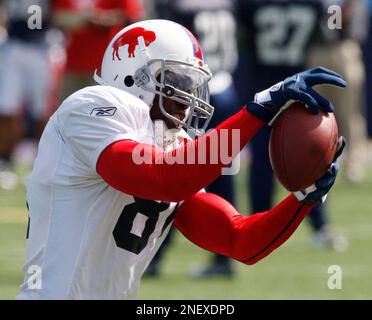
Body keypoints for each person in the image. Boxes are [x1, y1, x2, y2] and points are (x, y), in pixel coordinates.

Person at [17, 19, 346, 300]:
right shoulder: (91, 106)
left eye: (192, 85)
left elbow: (238, 239)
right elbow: (162, 178)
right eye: (176, 81)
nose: (187, 99)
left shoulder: (170, 144)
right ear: (132, 75)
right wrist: (258, 109)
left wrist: (303, 198)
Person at [235, 0, 346, 250]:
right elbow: (328, 34)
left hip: (264, 88)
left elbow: (242, 38)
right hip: (300, 88)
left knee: (263, 160)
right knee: (311, 160)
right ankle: (320, 225)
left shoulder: (251, 6)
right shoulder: (312, 5)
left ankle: (259, 224)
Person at [145, 0, 240, 278]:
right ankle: (224, 254)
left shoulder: (178, 8)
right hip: (224, 91)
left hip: (188, 94)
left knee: (171, 170)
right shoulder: (224, 5)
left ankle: (153, 254)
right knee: (220, 174)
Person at [0, 0, 64, 190]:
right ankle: (4, 161)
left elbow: (61, 13)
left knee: (43, 109)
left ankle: (43, 162)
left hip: (43, 47)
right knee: (6, 106)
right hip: (13, 45)